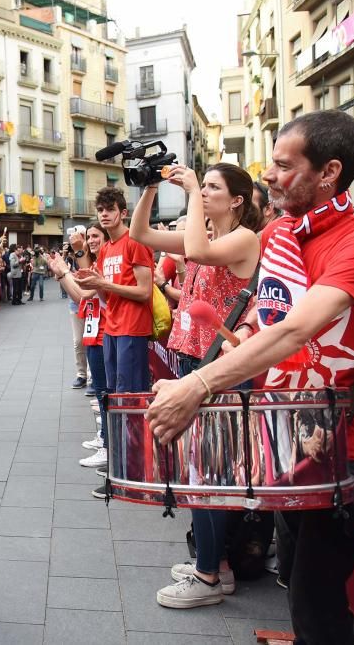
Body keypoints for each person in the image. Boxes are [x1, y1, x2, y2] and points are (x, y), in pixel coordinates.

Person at [146, 110, 354, 644]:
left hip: (345, 450)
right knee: (296, 582)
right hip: (289, 438)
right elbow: (263, 319)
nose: (268, 175)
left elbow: (295, 330)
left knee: (317, 602)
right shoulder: (279, 234)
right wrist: (225, 355)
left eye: (283, 165)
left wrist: (199, 385)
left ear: (330, 172)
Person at [130, 163, 261, 609]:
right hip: (193, 362)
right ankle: (214, 565)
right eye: (201, 185)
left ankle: (207, 576)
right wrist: (150, 188)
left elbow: (198, 251)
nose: (202, 191)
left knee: (207, 472)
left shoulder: (244, 239)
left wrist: (188, 192)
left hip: (219, 369)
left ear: (237, 200)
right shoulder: (202, 235)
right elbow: (142, 234)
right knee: (197, 469)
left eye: (211, 187)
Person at [74, 187, 154, 492]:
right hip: (112, 327)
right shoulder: (107, 248)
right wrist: (94, 283)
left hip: (132, 328)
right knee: (114, 396)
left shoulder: (135, 242)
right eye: (101, 209)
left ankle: (135, 470)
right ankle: (123, 465)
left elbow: (144, 292)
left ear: (123, 212)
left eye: (110, 209)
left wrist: (104, 284)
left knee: (130, 398)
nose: (104, 214)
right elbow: (104, 296)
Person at [50, 223, 109, 483]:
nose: (90, 241)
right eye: (89, 237)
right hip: (94, 330)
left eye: (95, 236)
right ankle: (104, 436)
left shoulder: (103, 264)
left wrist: (65, 271)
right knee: (101, 392)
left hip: (105, 332)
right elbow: (81, 294)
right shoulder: (94, 262)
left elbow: (83, 292)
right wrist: (63, 272)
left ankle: (107, 444)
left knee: (105, 392)